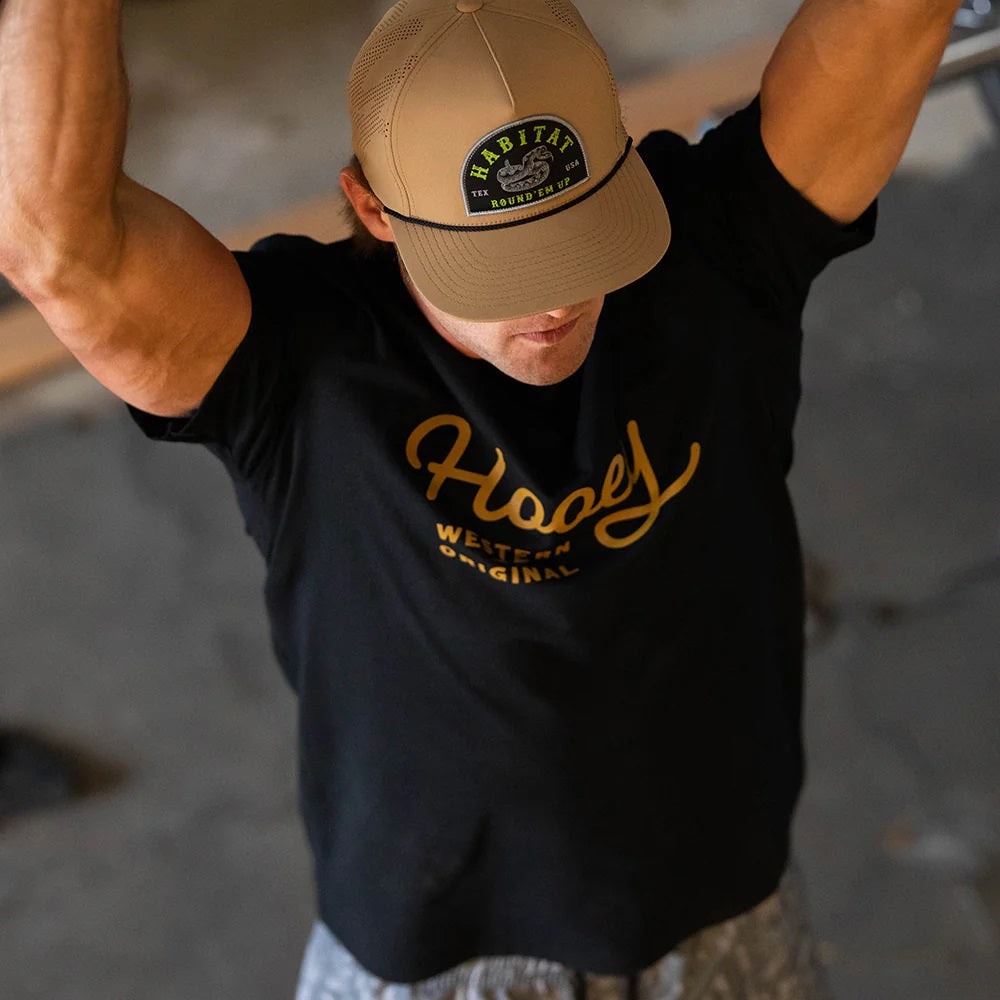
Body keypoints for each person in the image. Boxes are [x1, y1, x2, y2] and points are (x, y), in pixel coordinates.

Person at [0, 0, 964, 996]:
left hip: (726, 902)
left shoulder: (721, 248)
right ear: (375, 209)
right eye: (499, 266)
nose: (553, 299)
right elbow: (54, 246)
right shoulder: (292, 364)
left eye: (578, 237)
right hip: (439, 950)